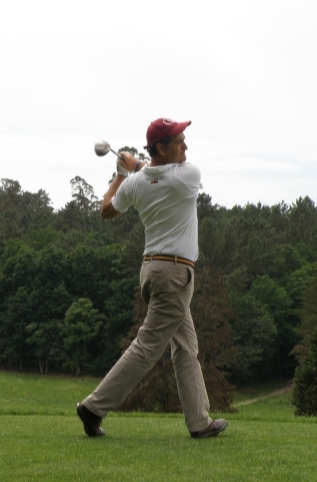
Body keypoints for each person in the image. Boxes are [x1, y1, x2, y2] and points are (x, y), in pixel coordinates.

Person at [77, 117, 228, 439]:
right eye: (179, 142)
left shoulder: (135, 183)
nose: (186, 146)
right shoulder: (188, 175)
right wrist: (132, 166)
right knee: (147, 346)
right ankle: (94, 406)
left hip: (153, 272)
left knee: (186, 346)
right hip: (174, 274)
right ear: (161, 147)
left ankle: (200, 421)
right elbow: (154, 171)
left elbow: (106, 209)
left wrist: (120, 175)